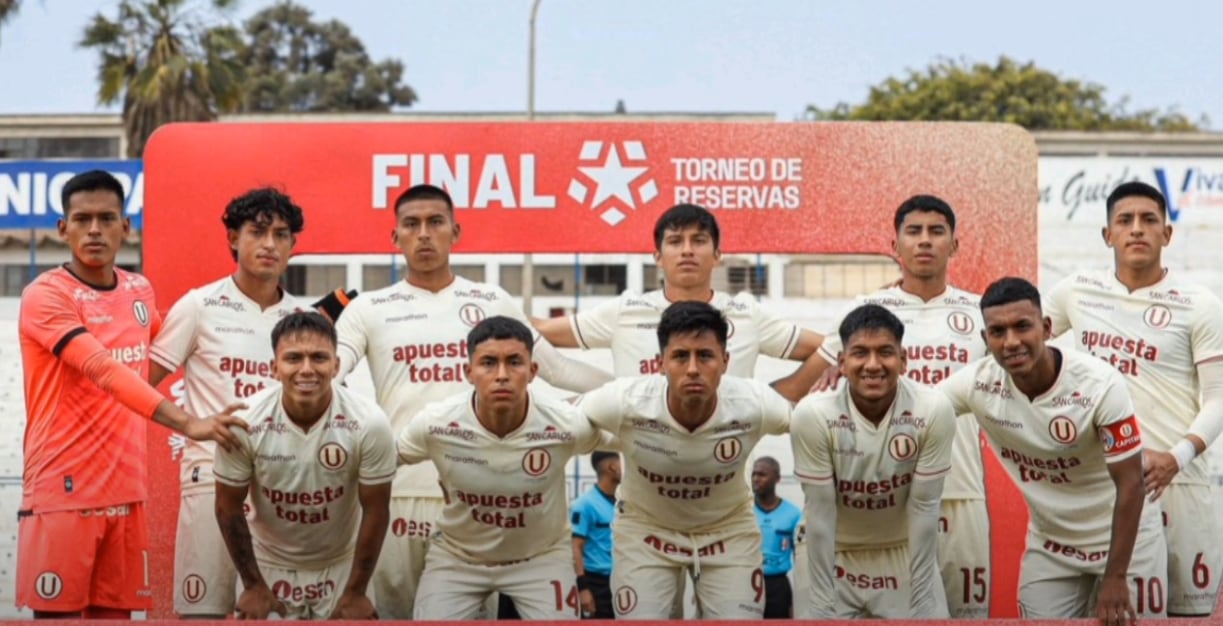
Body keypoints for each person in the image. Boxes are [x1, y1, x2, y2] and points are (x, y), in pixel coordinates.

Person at [333, 184, 613, 619]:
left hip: (481, 499)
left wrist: (645, 389)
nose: (424, 234)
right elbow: (331, 371)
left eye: (435, 223)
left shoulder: (491, 299)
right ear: (395, 238)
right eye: (412, 224)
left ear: (455, 231)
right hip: (401, 491)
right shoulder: (369, 307)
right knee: (395, 614)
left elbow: (554, 368)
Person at [15, 170, 245, 619]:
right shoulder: (45, 295)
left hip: (128, 491)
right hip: (64, 492)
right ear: (63, 229)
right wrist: (188, 422)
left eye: (107, 218)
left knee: (117, 618)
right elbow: (103, 369)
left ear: (126, 226)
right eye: (82, 219)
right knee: (57, 617)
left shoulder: (139, 290)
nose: (95, 229)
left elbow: (186, 346)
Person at [939, 277, 1167, 623]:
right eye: (998, 332)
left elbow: (1132, 483)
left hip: (1127, 545)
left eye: (1022, 327)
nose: (1011, 342)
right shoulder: (977, 383)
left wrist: (1116, 576)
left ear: (1046, 328)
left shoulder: (1100, 384)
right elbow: (915, 411)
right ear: (986, 339)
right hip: (1052, 546)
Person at [1044, 181, 1223, 617]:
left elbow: (1219, 397)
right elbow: (1011, 336)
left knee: (1184, 615)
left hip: (1179, 483)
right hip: (1104, 488)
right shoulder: (1076, 291)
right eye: (1125, 221)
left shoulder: (1199, 304)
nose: (1137, 230)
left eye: (1149, 220)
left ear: (1167, 233)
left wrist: (1176, 457)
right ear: (1108, 235)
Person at [813, 195, 991, 618]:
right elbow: (818, 382)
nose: (925, 241)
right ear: (895, 245)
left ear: (955, 244)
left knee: (968, 615)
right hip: (888, 501)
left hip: (961, 491)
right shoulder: (863, 311)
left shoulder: (981, 312)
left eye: (936, 231)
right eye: (914, 232)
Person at [148, 187, 308, 618]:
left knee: (276, 613)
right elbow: (140, 384)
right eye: (257, 232)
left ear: (293, 245)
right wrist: (189, 424)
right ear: (233, 239)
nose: (270, 244)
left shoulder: (302, 320)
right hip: (211, 481)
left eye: (281, 234)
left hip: (283, 488)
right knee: (205, 613)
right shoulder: (199, 305)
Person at [579, 301, 792, 619]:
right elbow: (562, 422)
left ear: (724, 361)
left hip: (728, 531)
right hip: (646, 531)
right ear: (661, 362)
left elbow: (812, 425)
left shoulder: (755, 403)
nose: (693, 368)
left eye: (705, 355)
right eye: (680, 356)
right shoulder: (625, 400)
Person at [396, 316, 604, 619]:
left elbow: (630, 440)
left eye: (515, 362)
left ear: (533, 371)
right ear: (469, 372)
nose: (502, 375)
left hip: (541, 557)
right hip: (458, 557)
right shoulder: (436, 423)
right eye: (489, 363)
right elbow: (380, 462)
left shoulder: (565, 423)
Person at [534, 202, 825, 402]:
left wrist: (775, 397)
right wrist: (491, 306)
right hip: (641, 489)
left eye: (699, 240)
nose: (687, 251)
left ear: (717, 255)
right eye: (675, 241)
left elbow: (831, 349)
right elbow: (540, 331)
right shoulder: (626, 311)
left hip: (730, 487)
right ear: (658, 258)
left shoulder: (746, 313)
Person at [214, 312, 395, 620]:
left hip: (342, 566)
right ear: (274, 368)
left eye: (319, 358)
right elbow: (227, 507)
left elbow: (376, 510)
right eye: (294, 358)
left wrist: (355, 591)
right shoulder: (245, 422)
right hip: (267, 565)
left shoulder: (369, 422)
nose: (307, 370)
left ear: (336, 366)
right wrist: (253, 584)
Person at [792, 304, 954, 619]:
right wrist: (823, 604)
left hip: (901, 548)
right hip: (831, 551)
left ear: (904, 360)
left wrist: (922, 600)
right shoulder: (814, 413)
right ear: (841, 361)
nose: (873, 365)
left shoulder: (932, 408)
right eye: (860, 353)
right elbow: (821, 512)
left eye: (885, 352)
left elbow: (924, 507)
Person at [751, 456, 802, 619]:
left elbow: (800, 556)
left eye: (762, 475)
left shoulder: (794, 514)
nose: (756, 479)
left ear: (777, 478)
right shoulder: (743, 511)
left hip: (777, 585)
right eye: (754, 474)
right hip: (746, 582)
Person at [571, 451, 620, 619]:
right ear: (612, 467)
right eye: (623, 463)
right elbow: (576, 547)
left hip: (622, 580)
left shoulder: (624, 502)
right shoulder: (585, 504)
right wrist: (583, 588)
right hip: (597, 584)